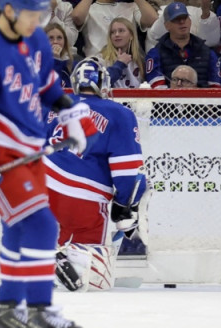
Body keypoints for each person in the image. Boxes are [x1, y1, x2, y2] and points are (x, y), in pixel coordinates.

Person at [0, 0, 95, 327]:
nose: (38, 20)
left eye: (40, 13)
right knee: (42, 225)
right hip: (0, 154)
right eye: (31, 13)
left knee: (17, 228)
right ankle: (39, 311)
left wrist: (69, 114)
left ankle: (8, 309)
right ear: (9, 8)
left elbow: (47, 85)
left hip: (30, 151)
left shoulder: (35, 40)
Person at [44, 58, 147, 292]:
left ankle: (44, 258)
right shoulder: (119, 113)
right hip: (84, 195)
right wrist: (124, 204)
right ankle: (64, 262)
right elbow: (129, 172)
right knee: (89, 273)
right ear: (104, 83)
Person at [71, 0, 157, 57]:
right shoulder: (88, 9)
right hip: (98, 64)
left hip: (128, 64)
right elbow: (76, 17)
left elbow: (152, 20)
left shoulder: (131, 6)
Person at [145, 2, 220, 88]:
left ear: (190, 21)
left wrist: (195, 93)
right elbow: (157, 89)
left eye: (185, 18)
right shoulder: (155, 54)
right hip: (169, 101)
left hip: (201, 100)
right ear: (166, 26)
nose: (182, 22)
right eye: (176, 19)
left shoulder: (207, 52)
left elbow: (216, 88)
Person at [99, 17, 145, 88]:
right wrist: (120, 64)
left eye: (121, 31)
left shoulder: (140, 60)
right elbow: (101, 83)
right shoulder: (102, 58)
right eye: (113, 32)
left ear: (131, 35)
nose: (116, 34)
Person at [45, 22, 77, 88]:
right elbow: (53, 88)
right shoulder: (37, 64)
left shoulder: (71, 64)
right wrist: (55, 60)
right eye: (50, 38)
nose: (55, 42)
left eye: (59, 38)